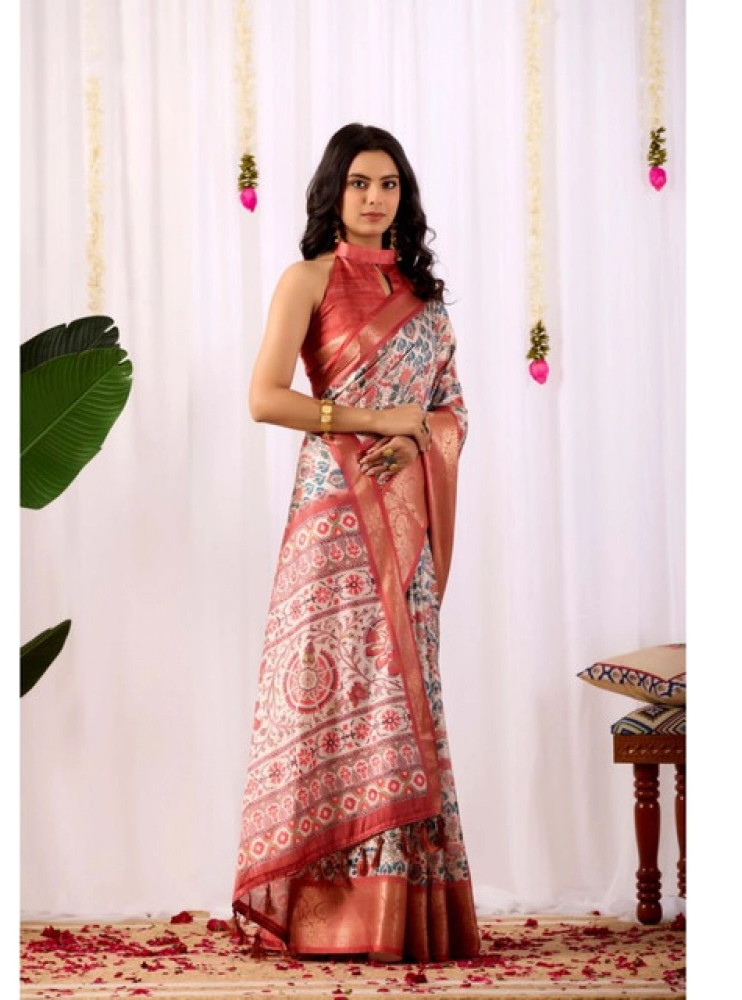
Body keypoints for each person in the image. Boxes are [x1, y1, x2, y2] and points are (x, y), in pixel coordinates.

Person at [232, 123, 480, 964]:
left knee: (401, 703)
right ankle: (324, 913)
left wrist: (414, 442)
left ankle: (399, 913)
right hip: (332, 517)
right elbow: (265, 397)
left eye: (390, 185)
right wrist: (376, 418)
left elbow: (450, 413)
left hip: (403, 523)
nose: (375, 198)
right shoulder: (307, 279)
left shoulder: (426, 298)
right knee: (330, 699)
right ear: (333, 191)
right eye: (360, 183)